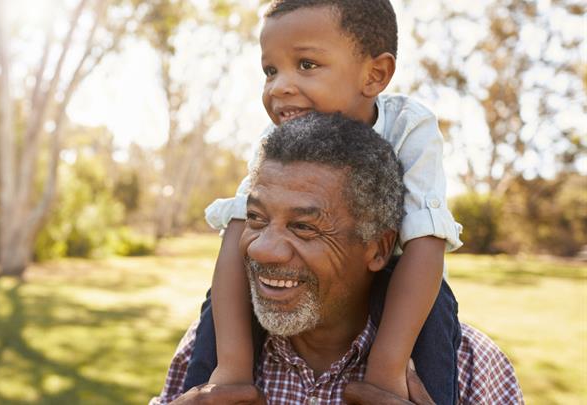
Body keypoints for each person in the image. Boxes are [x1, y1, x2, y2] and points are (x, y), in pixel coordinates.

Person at [185, 1, 464, 403]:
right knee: (221, 298)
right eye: (270, 70)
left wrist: (386, 374)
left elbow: (425, 239)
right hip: (301, 290)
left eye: (307, 65)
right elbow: (238, 230)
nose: (278, 86)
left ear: (375, 74)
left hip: (399, 278)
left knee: (435, 303)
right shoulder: (273, 141)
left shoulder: (408, 125)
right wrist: (230, 366)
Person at [152, 113, 523, 405]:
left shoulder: (471, 367)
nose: (261, 249)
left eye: (303, 227)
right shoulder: (209, 349)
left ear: (378, 248)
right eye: (255, 218)